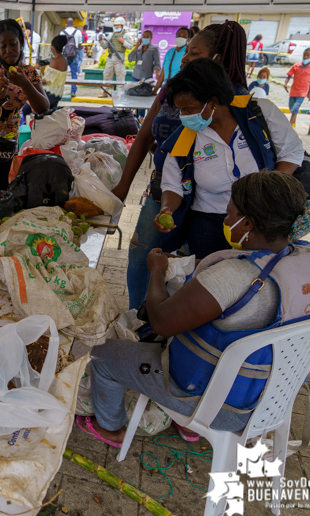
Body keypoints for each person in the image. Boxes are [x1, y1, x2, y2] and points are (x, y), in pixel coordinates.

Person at [79, 171, 310, 447]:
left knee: (103, 354)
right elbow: (257, 270)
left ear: (248, 223)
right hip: (271, 397)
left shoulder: (234, 276)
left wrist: (156, 272)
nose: (226, 221)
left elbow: (161, 322)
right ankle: (188, 428)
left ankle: (111, 429)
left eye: (229, 214)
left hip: (218, 404)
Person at [114, 20, 251, 310]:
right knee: (144, 255)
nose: (185, 58)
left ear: (217, 60)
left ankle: (177, 320)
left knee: (193, 263)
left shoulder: (237, 101)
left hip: (213, 206)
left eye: (194, 53)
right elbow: (145, 136)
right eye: (186, 50)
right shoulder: (172, 89)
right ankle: (139, 319)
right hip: (166, 190)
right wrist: (123, 186)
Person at [155, 58, 303, 260]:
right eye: (180, 110)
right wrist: (166, 209)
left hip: (261, 220)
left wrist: (266, 194)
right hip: (208, 224)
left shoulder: (259, 113)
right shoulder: (186, 137)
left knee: (258, 277)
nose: (184, 116)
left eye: (189, 109)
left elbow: (291, 151)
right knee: (209, 279)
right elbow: (172, 185)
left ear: (214, 102)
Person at [0, 19, 50, 193]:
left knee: (5, 193)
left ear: (20, 42)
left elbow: (43, 108)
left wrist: (25, 83)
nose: (9, 50)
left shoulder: (28, 72)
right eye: (3, 46)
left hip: (10, 144)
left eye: (13, 44)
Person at [128, 29, 161, 119]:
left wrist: (157, 72)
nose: (145, 38)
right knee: (134, 96)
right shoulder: (138, 48)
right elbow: (130, 59)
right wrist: (136, 46)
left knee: (143, 98)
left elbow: (157, 63)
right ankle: (133, 116)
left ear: (151, 38)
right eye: (144, 36)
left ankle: (141, 117)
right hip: (136, 76)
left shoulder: (154, 48)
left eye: (147, 36)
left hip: (146, 77)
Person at [98, 16, 133, 97]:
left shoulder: (126, 35)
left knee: (120, 76)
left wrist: (123, 41)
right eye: (116, 25)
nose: (117, 27)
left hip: (119, 58)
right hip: (110, 57)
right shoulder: (111, 35)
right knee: (107, 75)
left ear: (122, 26)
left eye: (119, 25)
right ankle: (105, 92)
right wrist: (100, 40)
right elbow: (105, 46)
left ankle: (120, 93)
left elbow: (130, 46)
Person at [284, 47, 310, 128]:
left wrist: (309, 93)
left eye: (307, 55)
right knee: (291, 107)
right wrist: (285, 83)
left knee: (295, 108)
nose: (305, 57)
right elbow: (289, 76)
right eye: (304, 55)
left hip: (303, 91)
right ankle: (293, 123)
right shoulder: (296, 66)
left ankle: (290, 125)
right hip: (294, 90)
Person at [42, 35, 69, 108]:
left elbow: (45, 80)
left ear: (53, 47)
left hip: (50, 92)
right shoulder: (64, 60)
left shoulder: (55, 61)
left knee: (27, 109)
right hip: (58, 93)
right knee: (50, 115)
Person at [60, 18, 84, 97]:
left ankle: (60, 91)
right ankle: (73, 91)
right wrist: (76, 50)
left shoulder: (62, 32)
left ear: (66, 24)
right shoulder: (78, 32)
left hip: (65, 56)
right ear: (73, 23)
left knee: (62, 73)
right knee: (74, 73)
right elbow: (80, 44)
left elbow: (60, 44)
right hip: (74, 55)